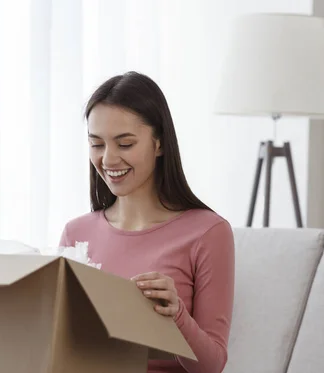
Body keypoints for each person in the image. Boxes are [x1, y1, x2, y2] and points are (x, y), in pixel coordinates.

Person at [58, 71, 235, 373]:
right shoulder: (76, 234)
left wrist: (177, 315)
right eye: (97, 144)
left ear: (160, 144)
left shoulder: (208, 233)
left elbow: (212, 366)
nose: (108, 159)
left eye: (125, 144)